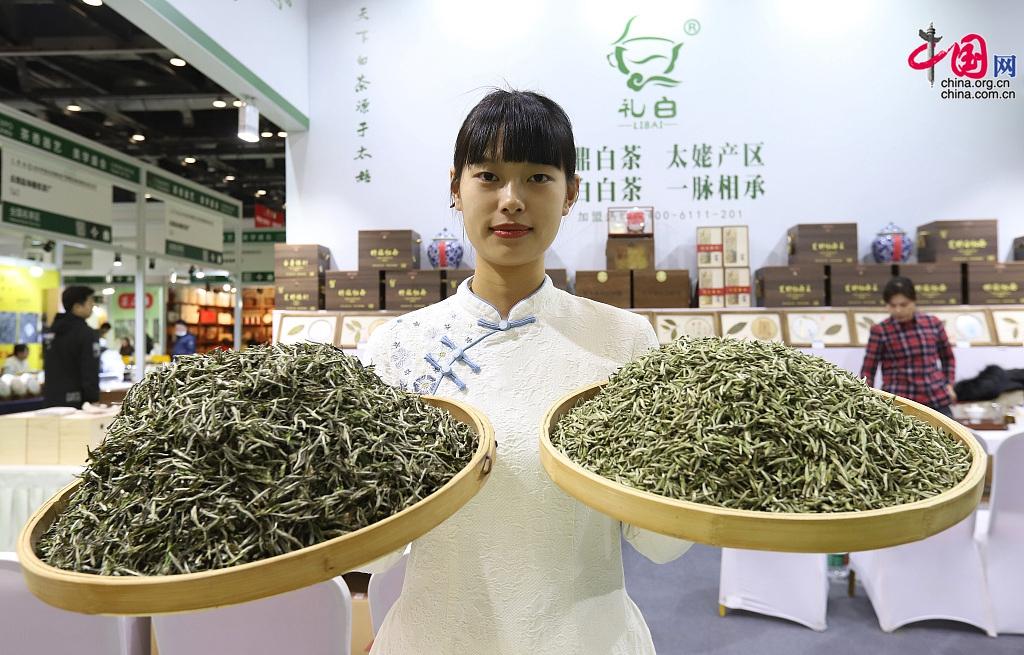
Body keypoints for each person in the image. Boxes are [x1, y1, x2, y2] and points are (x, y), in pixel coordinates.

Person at [361, 90, 692, 655]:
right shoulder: (396, 347)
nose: (511, 200)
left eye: (538, 177)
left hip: (587, 640)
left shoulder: (625, 342)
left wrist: (694, 466)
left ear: (571, 193)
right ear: (455, 188)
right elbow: (375, 550)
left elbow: (659, 542)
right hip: (435, 638)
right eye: (488, 176)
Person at [860, 276, 957, 417]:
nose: (898, 310)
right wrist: (866, 398)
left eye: (903, 305)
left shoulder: (933, 323)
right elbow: (868, 370)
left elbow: (948, 358)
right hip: (898, 403)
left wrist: (949, 384)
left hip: (936, 398)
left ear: (914, 301)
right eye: (892, 306)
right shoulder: (880, 330)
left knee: (951, 431)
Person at [42, 286, 100, 409]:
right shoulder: (87, 333)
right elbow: (90, 368)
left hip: (51, 399)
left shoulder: (50, 332)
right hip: (80, 402)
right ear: (77, 306)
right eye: (90, 302)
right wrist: (93, 398)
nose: (92, 305)